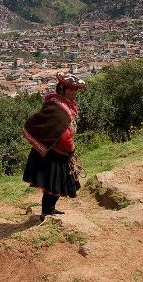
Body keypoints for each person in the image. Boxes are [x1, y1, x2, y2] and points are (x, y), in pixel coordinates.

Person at [22, 72, 86, 221]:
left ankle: (50, 209)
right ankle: (47, 211)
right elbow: (62, 134)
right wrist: (70, 148)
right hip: (55, 152)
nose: (74, 93)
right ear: (62, 88)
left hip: (58, 152)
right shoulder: (58, 108)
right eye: (71, 89)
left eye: (75, 90)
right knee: (53, 185)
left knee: (55, 184)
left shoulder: (64, 105)